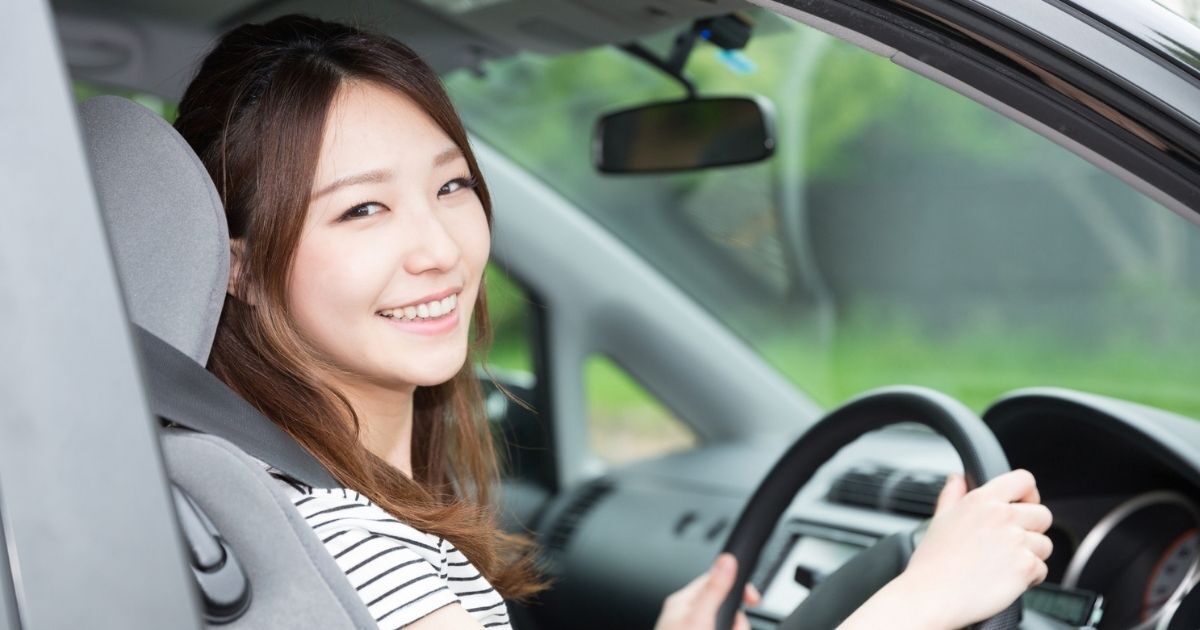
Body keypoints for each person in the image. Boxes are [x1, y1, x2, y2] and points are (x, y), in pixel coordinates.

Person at [171, 14, 1053, 630]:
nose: (438, 248)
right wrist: (921, 603)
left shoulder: (267, 495)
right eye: (362, 210)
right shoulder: (355, 549)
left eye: (450, 185)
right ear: (237, 266)